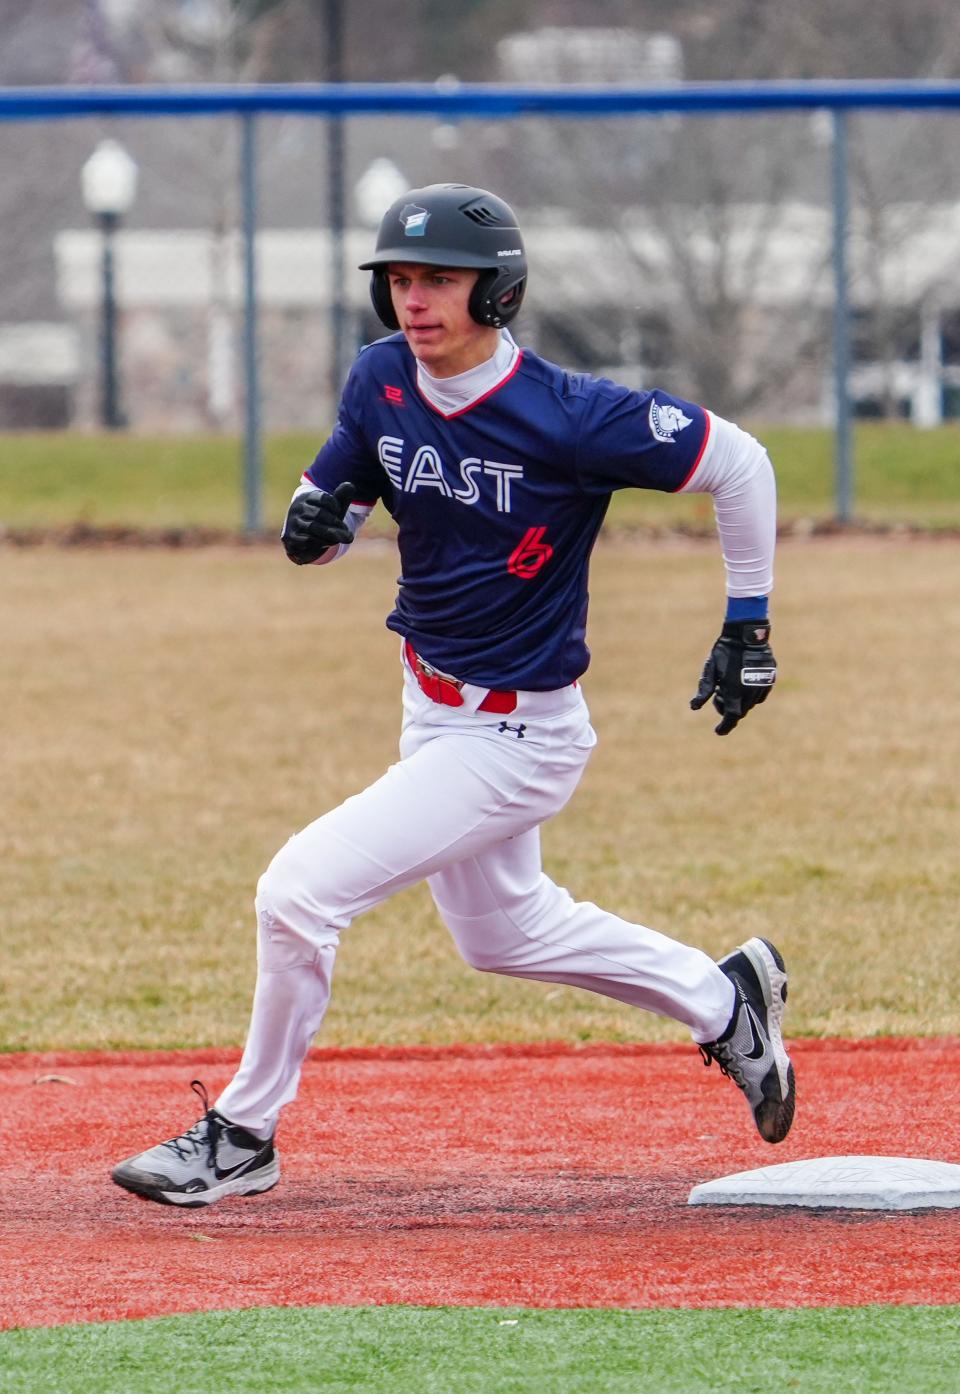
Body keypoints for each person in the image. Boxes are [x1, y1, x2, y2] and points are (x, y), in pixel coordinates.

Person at [112, 183, 794, 1208]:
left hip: (520, 731)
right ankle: (723, 998)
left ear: (501, 290)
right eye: (399, 279)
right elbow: (337, 496)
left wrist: (749, 620)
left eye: (440, 279)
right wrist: (318, 523)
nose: (415, 299)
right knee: (504, 932)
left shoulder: (570, 415)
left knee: (298, 894)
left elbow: (740, 462)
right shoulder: (381, 378)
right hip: (430, 704)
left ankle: (243, 1133)